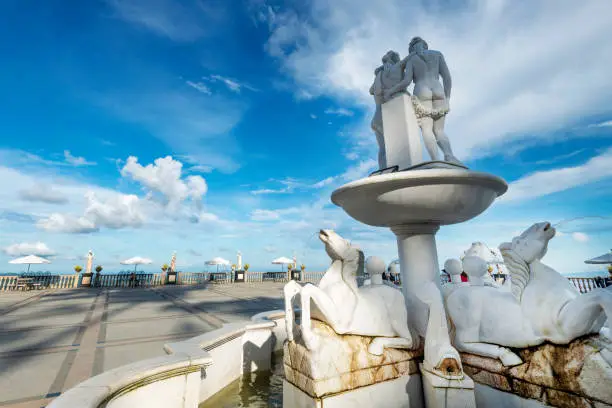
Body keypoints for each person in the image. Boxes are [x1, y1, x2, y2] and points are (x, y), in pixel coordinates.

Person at [385, 37, 462, 165]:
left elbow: (406, 81)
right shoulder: (437, 54)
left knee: (427, 129)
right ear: (425, 45)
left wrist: (391, 91)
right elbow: (447, 78)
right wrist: (448, 98)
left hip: (422, 91)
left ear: (411, 49)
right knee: (439, 130)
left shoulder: (412, 60)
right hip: (438, 89)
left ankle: (435, 160)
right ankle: (449, 156)